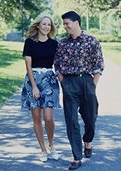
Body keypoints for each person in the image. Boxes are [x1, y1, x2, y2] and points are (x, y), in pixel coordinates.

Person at [54, 11, 104, 170]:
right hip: (69, 82)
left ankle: (88, 141)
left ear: (76, 22)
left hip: (87, 81)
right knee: (71, 121)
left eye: (67, 23)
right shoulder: (62, 43)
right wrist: (63, 82)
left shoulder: (91, 41)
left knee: (90, 117)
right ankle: (76, 156)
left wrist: (92, 85)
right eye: (64, 24)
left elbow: (99, 64)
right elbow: (57, 65)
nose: (65, 26)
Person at [21, 14, 60, 162]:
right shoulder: (30, 42)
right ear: (38, 26)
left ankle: (52, 145)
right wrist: (35, 87)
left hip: (50, 80)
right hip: (33, 80)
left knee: (49, 118)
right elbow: (28, 66)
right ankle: (43, 149)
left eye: (49, 25)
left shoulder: (54, 43)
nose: (46, 27)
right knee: (36, 118)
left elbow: (59, 64)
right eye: (44, 24)